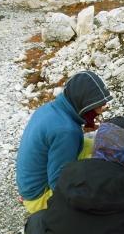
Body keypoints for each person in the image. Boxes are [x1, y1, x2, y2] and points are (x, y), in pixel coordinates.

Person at [16, 70, 112, 214]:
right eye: (97, 105)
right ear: (82, 104)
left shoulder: (50, 109)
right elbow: (59, 183)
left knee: (95, 144)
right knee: (102, 165)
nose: (101, 109)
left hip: (28, 186)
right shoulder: (66, 131)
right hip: (40, 197)